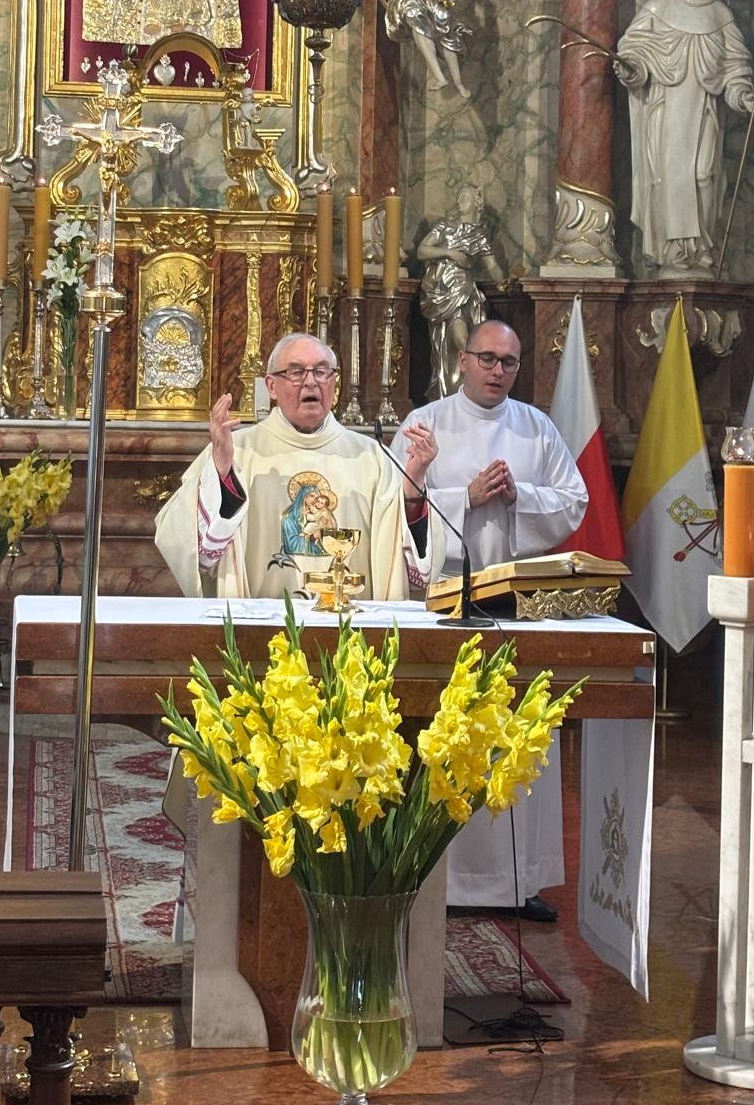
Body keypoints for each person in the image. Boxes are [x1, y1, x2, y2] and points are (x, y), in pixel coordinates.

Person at [395, 318, 588, 919]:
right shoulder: (425, 423)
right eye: (487, 359)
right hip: (442, 605)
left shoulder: (536, 427)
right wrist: (466, 498)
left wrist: (518, 495)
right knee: (448, 740)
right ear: (462, 360)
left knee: (514, 739)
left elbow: (574, 501)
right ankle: (438, 879)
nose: (498, 371)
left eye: (509, 362)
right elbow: (393, 507)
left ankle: (516, 882)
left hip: (516, 607)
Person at [155, 333, 442, 599]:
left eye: (322, 371)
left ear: (334, 382)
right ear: (271, 386)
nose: (311, 382)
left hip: (350, 629)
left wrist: (414, 487)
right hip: (258, 628)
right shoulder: (237, 450)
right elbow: (198, 553)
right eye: (296, 372)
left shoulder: (372, 458)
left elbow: (413, 571)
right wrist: (221, 473)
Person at [615, 0, 754, 276]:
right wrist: (632, 69)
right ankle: (674, 252)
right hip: (666, 113)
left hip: (704, 113)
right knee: (670, 177)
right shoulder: (659, 8)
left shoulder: (720, 17)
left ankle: (700, 250)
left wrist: (743, 96)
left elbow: (735, 68)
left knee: (704, 176)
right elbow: (634, 51)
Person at [416, 184, 504, 397]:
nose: (459, 201)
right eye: (458, 197)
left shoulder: (479, 235)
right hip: (439, 291)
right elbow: (421, 251)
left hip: (462, 292)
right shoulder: (444, 226)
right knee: (443, 344)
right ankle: (451, 389)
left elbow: (492, 266)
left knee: (462, 340)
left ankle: (472, 387)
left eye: (464, 197)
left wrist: (503, 280)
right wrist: (449, 253)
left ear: (476, 202)